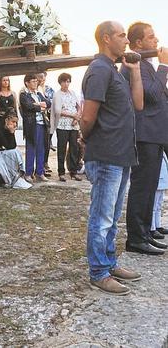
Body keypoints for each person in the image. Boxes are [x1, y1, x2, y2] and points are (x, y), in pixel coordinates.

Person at [80, 20, 144, 295]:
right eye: (121, 36)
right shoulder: (99, 70)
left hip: (121, 155)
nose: (126, 41)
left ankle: (109, 262)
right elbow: (87, 117)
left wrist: (135, 70)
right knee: (102, 217)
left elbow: (138, 105)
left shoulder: (115, 70)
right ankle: (98, 272)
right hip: (106, 155)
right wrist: (88, 139)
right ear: (106, 38)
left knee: (113, 216)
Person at [120, 22, 168, 255]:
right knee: (142, 187)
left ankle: (146, 233)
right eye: (151, 37)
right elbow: (150, 94)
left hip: (156, 134)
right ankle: (136, 238)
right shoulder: (134, 65)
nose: (156, 40)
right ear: (138, 42)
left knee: (150, 187)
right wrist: (164, 66)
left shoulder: (147, 64)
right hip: (145, 135)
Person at [50, 73, 82, 182]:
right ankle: (61, 172)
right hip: (62, 125)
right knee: (62, 148)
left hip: (73, 125)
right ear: (60, 82)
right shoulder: (57, 94)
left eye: (68, 81)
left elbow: (78, 106)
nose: (66, 84)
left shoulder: (73, 93)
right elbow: (58, 110)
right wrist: (72, 115)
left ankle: (73, 171)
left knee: (74, 148)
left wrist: (76, 118)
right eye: (64, 81)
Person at [0, 110, 31, 189]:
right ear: (6, 120)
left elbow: (13, 145)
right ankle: (9, 178)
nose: (14, 124)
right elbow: (8, 146)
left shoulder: (7, 130)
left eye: (16, 122)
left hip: (2, 152)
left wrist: (12, 133)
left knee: (16, 151)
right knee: (14, 152)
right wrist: (11, 132)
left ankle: (16, 175)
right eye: (13, 122)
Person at [20, 74, 51, 183]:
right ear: (27, 83)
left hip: (42, 124)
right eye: (33, 81)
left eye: (36, 81)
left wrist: (38, 104)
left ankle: (40, 172)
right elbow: (28, 106)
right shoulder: (24, 95)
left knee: (41, 148)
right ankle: (28, 173)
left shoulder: (38, 94)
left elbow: (48, 103)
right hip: (31, 125)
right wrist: (40, 106)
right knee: (31, 148)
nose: (35, 83)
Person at [37, 72, 55, 172]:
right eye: (39, 78)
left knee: (47, 141)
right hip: (40, 116)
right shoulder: (35, 90)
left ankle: (45, 162)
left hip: (49, 116)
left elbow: (51, 103)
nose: (41, 80)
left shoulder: (49, 89)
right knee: (40, 141)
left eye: (43, 78)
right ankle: (40, 164)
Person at [151, 153, 168, 239]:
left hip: (163, 181)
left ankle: (158, 225)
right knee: (153, 205)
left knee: (159, 204)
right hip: (157, 180)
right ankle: (152, 228)